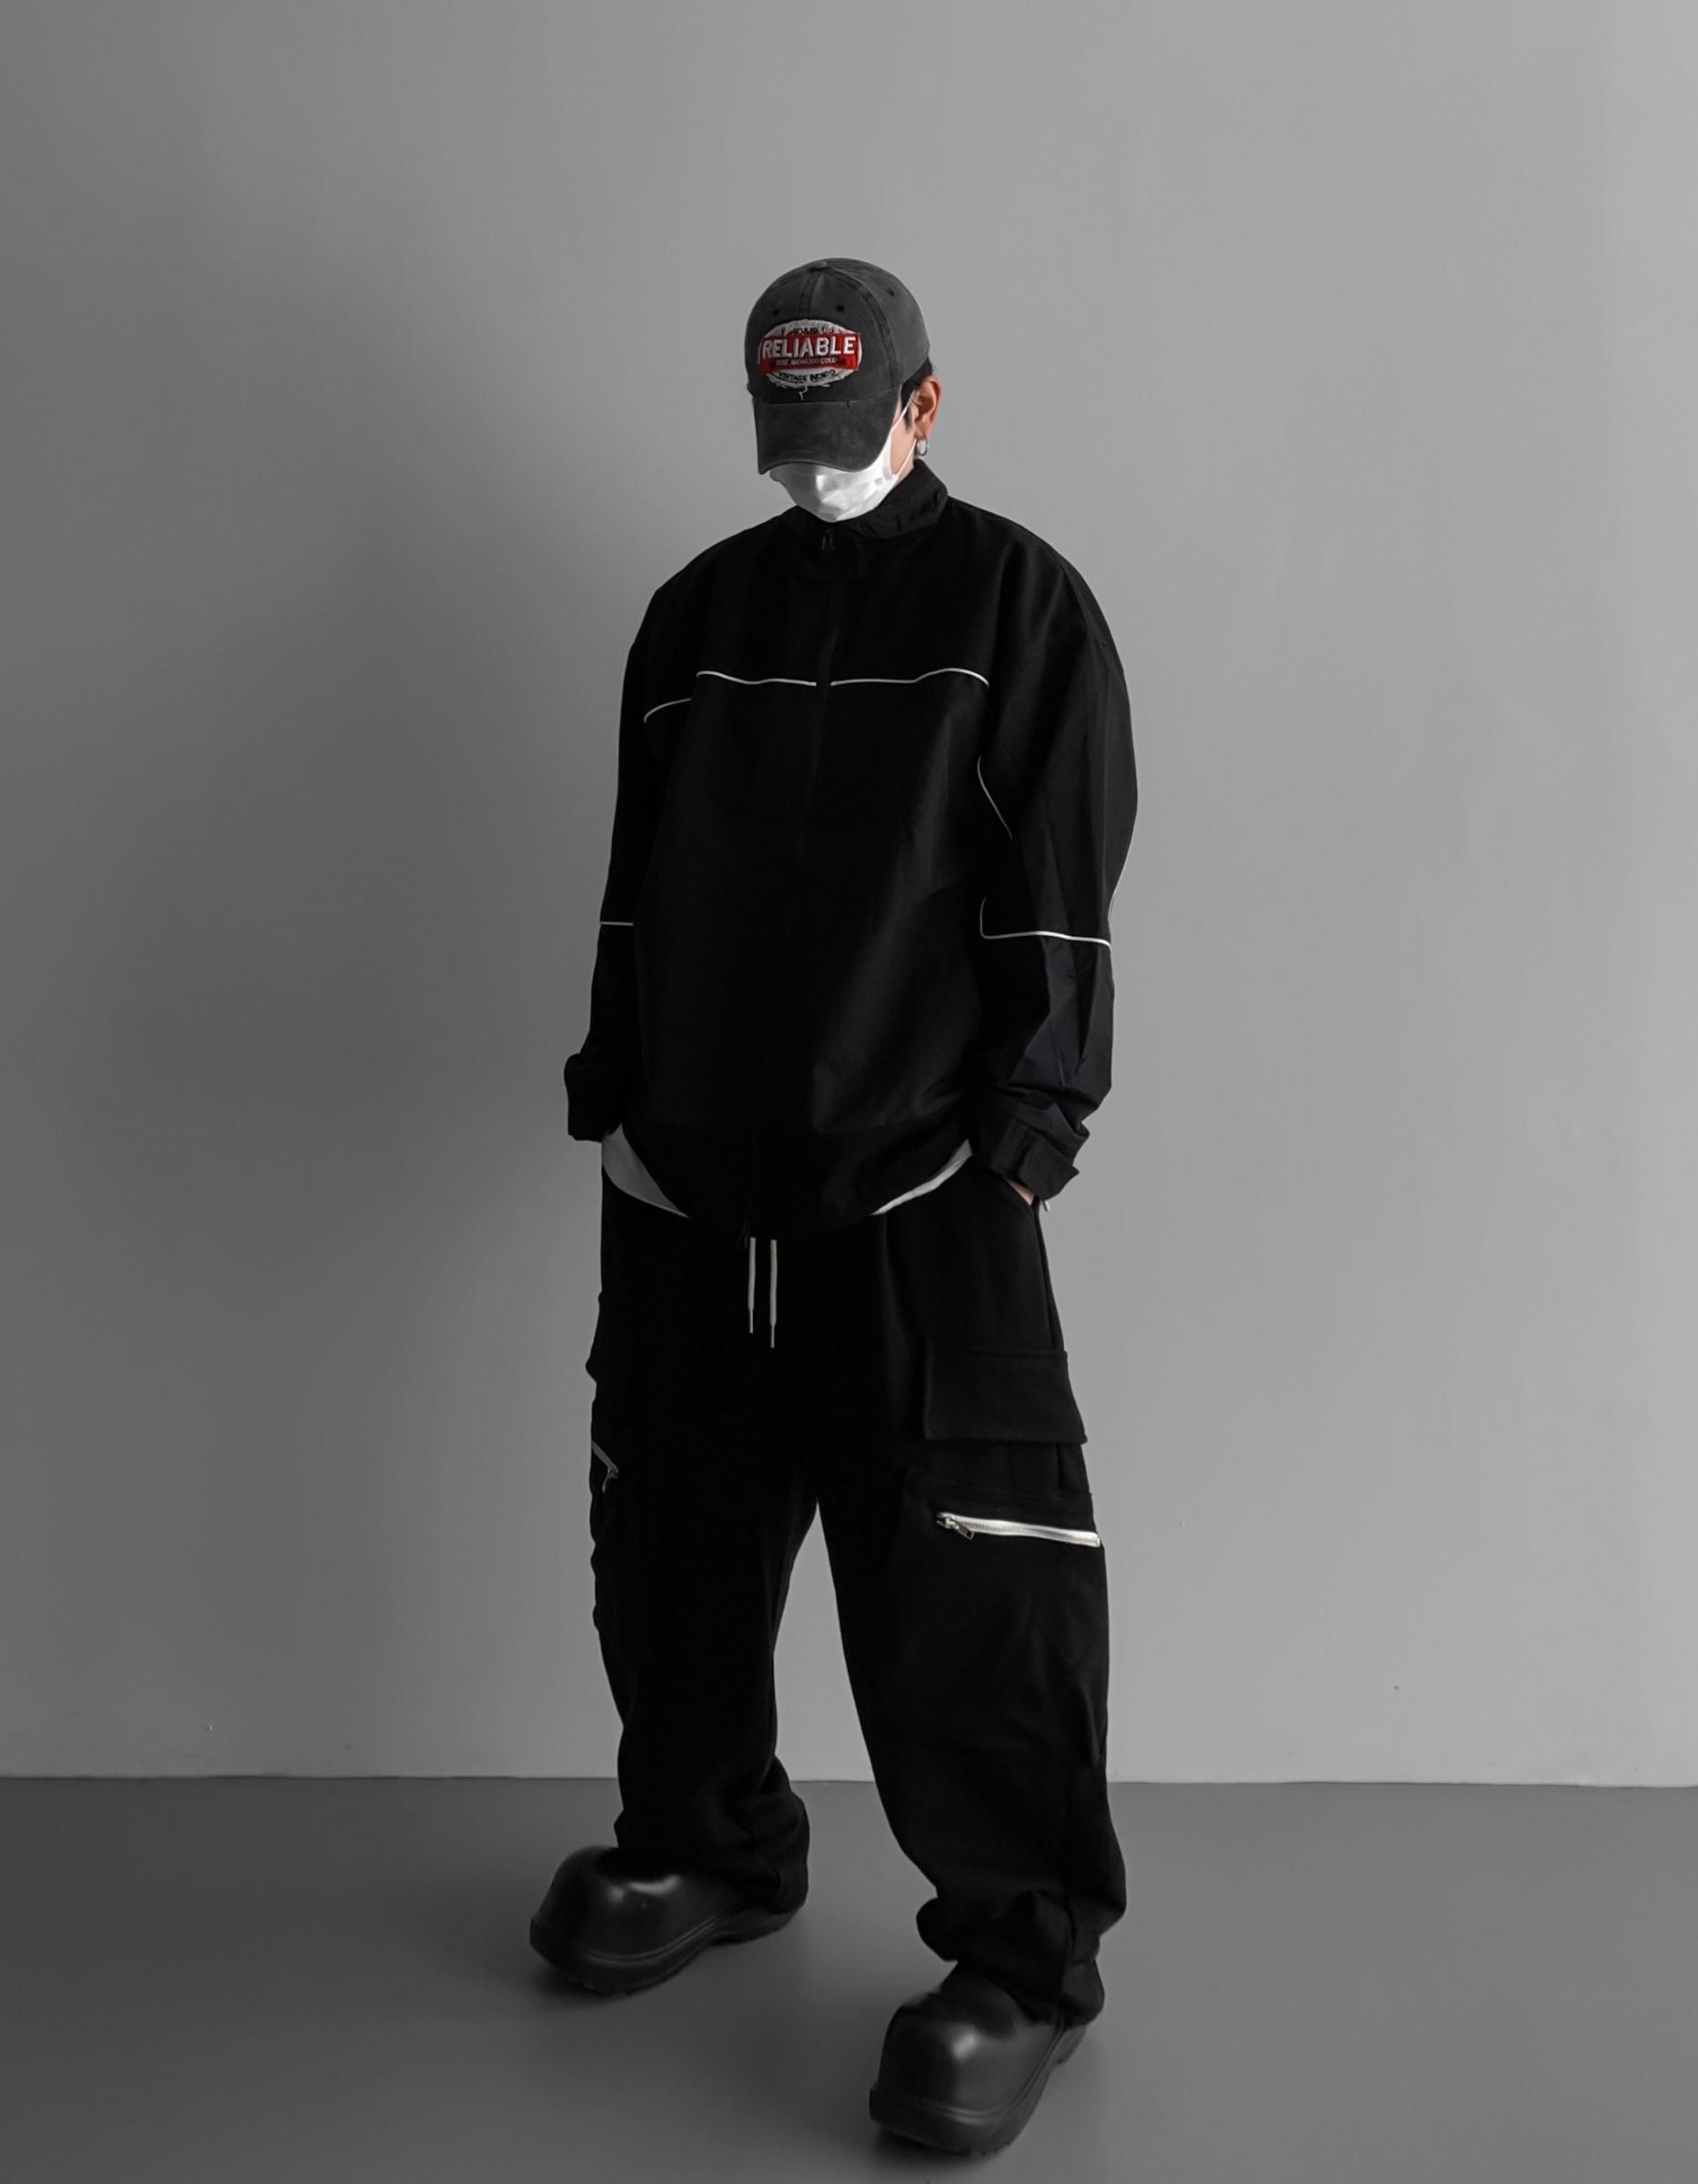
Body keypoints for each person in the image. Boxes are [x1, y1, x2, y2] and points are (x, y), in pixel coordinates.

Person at [531, 257, 1138, 2159]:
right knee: (673, 1531)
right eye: (784, 435)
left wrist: (1026, 1130)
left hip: (923, 1179)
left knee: (970, 1569)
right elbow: (636, 878)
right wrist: (617, 1099)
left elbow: (1060, 893)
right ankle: (707, 1841)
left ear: (925, 404)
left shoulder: (1017, 606)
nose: (813, 467)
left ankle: (1022, 1955)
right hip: (693, 1178)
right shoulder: (695, 616)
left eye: (847, 430)